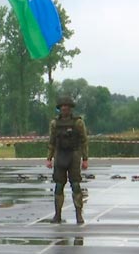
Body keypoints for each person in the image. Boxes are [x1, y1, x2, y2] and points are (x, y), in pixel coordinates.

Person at [46, 96, 89, 224]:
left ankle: (79, 215)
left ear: (70, 108)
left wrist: (85, 159)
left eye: (67, 106)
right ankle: (57, 215)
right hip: (60, 155)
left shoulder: (78, 123)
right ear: (59, 109)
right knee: (59, 185)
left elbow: (84, 140)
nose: (64, 108)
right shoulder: (54, 123)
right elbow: (51, 141)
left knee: (75, 184)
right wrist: (49, 158)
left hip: (74, 155)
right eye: (62, 107)